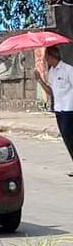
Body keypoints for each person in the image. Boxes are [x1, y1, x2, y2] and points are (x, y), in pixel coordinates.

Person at [38, 46, 73, 176]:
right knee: (66, 138)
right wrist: (39, 80)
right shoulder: (52, 72)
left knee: (71, 138)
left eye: (47, 57)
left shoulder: (68, 70)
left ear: (52, 56)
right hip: (59, 109)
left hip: (70, 109)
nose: (46, 60)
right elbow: (50, 91)